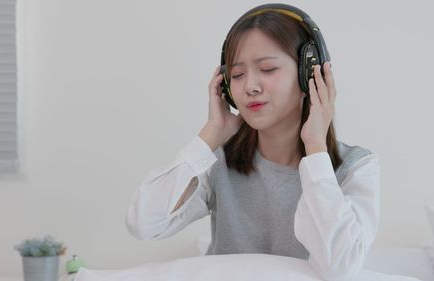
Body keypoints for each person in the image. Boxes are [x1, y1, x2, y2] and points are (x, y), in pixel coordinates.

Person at [126, 4, 381, 281]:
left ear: (309, 75)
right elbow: (143, 224)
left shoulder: (356, 167)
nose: (250, 86)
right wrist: (212, 133)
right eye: (237, 75)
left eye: (268, 69)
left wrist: (315, 147)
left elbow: (340, 268)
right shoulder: (220, 161)